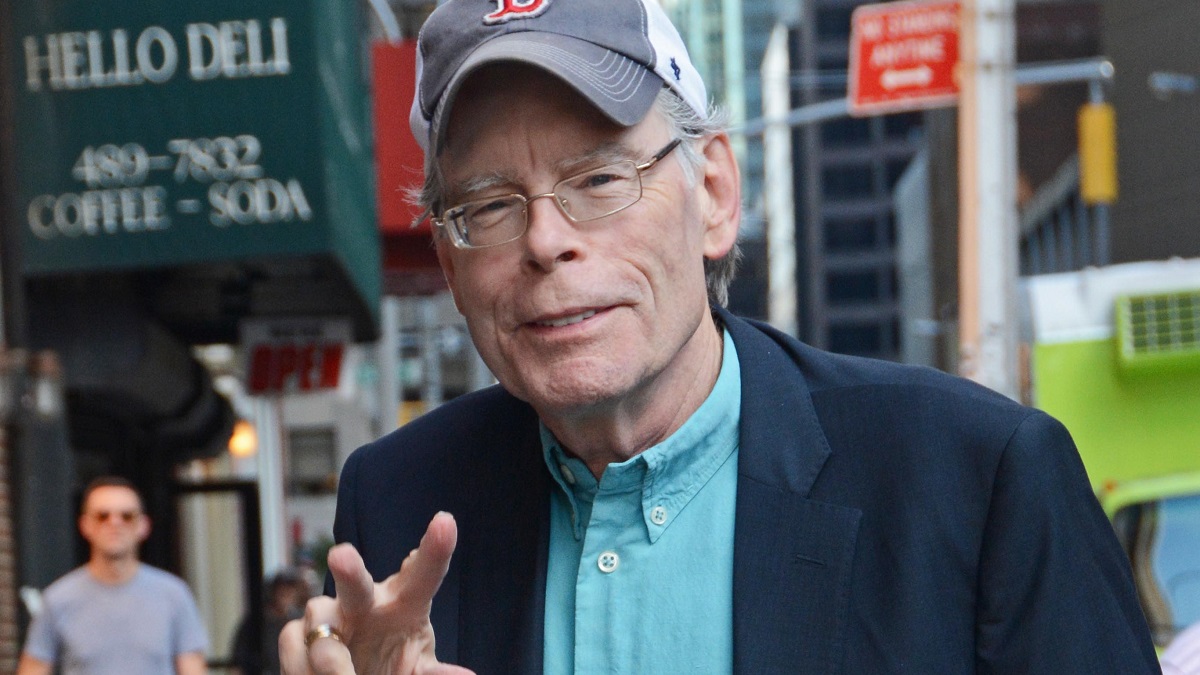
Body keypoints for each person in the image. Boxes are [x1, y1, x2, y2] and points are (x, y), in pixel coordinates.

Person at [280, 0, 1159, 672]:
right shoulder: (394, 501)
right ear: (447, 256)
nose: (546, 240)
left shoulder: (978, 479)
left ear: (715, 194)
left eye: (598, 176)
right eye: (489, 205)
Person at [18, 476, 209, 675]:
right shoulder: (58, 600)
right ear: (85, 525)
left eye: (126, 516)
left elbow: (193, 669)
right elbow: (33, 669)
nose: (115, 523)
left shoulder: (174, 596)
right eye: (102, 516)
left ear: (143, 526)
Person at [232, 570, 310, 674]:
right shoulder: (256, 622)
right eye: (282, 590)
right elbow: (238, 660)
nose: (286, 594)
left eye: (290, 590)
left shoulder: (298, 621)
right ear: (274, 591)